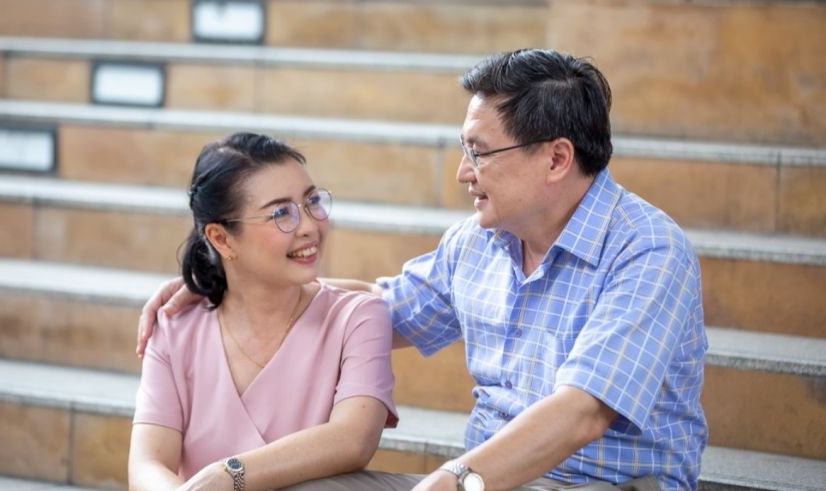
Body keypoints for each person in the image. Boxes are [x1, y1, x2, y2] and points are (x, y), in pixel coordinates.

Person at [137, 49, 707, 491]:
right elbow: (379, 306)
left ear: (556, 158)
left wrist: (451, 482)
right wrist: (227, 282)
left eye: (479, 152)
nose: (463, 172)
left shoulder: (646, 249)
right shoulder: (477, 243)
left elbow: (582, 413)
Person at [128, 132, 398, 491]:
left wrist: (228, 476)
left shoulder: (359, 317)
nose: (309, 226)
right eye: (281, 213)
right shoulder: (176, 327)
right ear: (222, 239)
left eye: (312, 201)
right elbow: (147, 464)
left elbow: (353, 440)